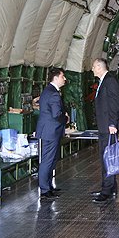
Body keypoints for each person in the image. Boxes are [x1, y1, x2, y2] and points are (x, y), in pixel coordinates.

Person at [90, 57, 119, 204]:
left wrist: (112, 123)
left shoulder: (109, 81)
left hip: (108, 127)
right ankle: (111, 187)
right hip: (104, 126)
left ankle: (106, 191)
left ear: (99, 67)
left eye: (93, 67)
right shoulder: (104, 81)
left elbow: (114, 103)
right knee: (106, 156)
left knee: (108, 158)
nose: (92, 70)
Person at [35, 67, 68, 200]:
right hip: (51, 131)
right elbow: (56, 114)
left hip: (49, 130)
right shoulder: (53, 93)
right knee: (47, 160)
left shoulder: (48, 91)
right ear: (56, 78)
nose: (64, 79)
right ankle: (44, 190)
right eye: (62, 76)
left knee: (51, 159)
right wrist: (66, 118)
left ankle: (49, 186)